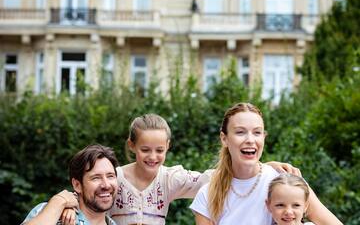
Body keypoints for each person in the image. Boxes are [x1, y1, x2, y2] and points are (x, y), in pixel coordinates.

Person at [63, 114, 300, 225]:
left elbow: (213, 177)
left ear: (167, 147)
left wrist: (260, 167)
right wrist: (70, 208)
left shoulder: (170, 178)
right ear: (131, 146)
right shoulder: (115, 177)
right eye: (145, 149)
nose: (153, 157)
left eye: (159, 150)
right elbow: (90, 193)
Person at [190, 102, 343, 225]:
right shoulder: (207, 194)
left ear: (264, 137)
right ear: (224, 139)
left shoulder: (285, 180)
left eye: (257, 132)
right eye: (240, 132)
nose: (250, 140)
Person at [22, 144, 119, 225]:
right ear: (77, 185)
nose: (106, 185)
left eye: (110, 176)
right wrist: (59, 201)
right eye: (96, 178)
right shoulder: (53, 213)